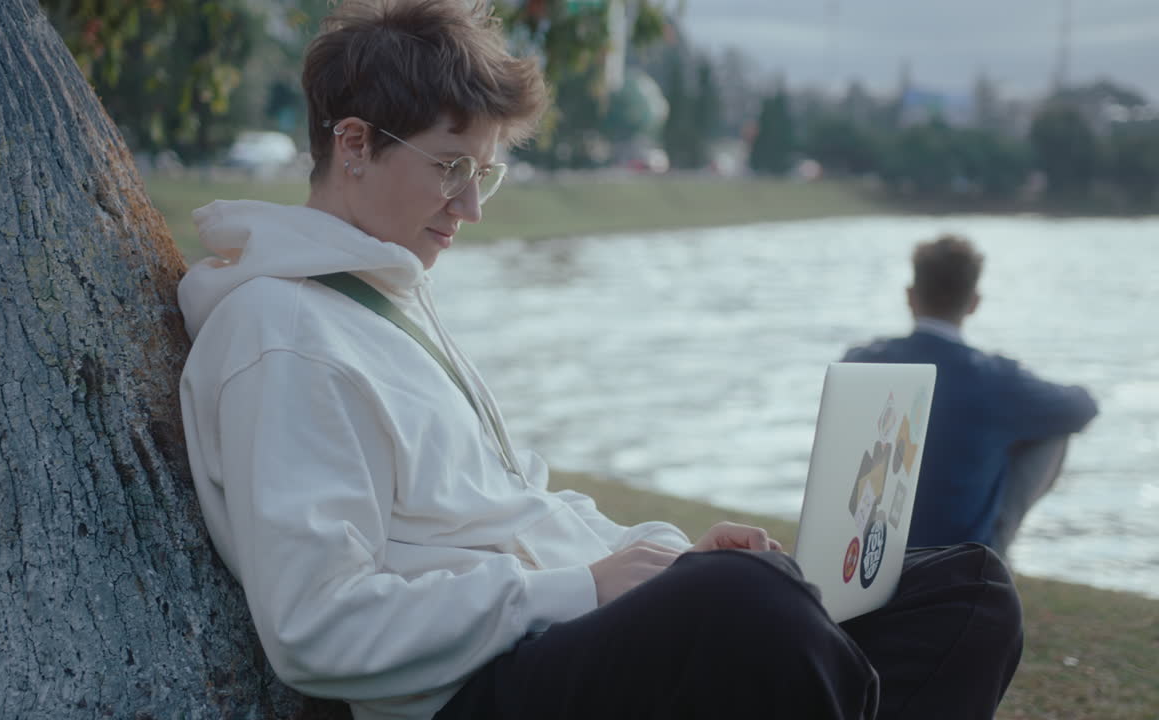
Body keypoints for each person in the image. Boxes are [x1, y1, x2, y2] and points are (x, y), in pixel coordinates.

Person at [177, 2, 1023, 719]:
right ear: (354, 143)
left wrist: (663, 557)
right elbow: (316, 627)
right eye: (451, 168)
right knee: (752, 607)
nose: (471, 207)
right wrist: (591, 589)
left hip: (553, 634)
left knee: (968, 595)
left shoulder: (385, 298)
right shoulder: (281, 333)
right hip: (472, 688)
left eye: (487, 175)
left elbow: (514, 508)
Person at [843, 235, 1098, 558]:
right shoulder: (996, 379)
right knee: (1052, 428)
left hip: (870, 540)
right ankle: (994, 559)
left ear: (910, 296)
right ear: (974, 302)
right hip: (957, 554)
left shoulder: (861, 361)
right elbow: (1083, 409)